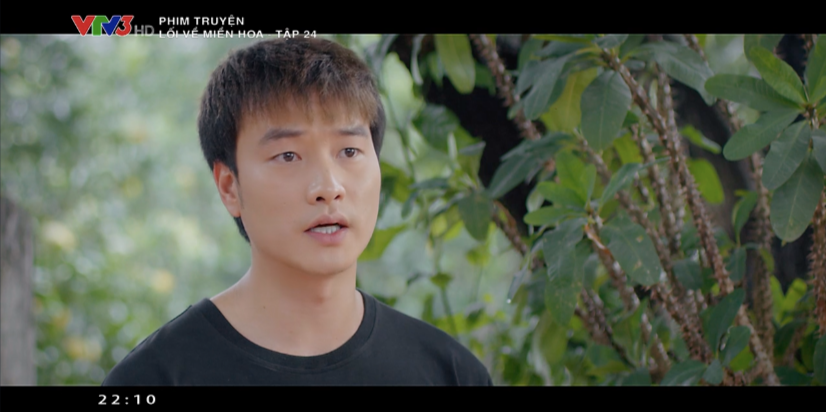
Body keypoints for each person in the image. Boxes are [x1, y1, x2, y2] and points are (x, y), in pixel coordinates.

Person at [101, 37, 492, 386]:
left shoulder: (450, 373)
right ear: (229, 187)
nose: (329, 188)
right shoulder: (154, 377)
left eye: (349, 151)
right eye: (288, 155)